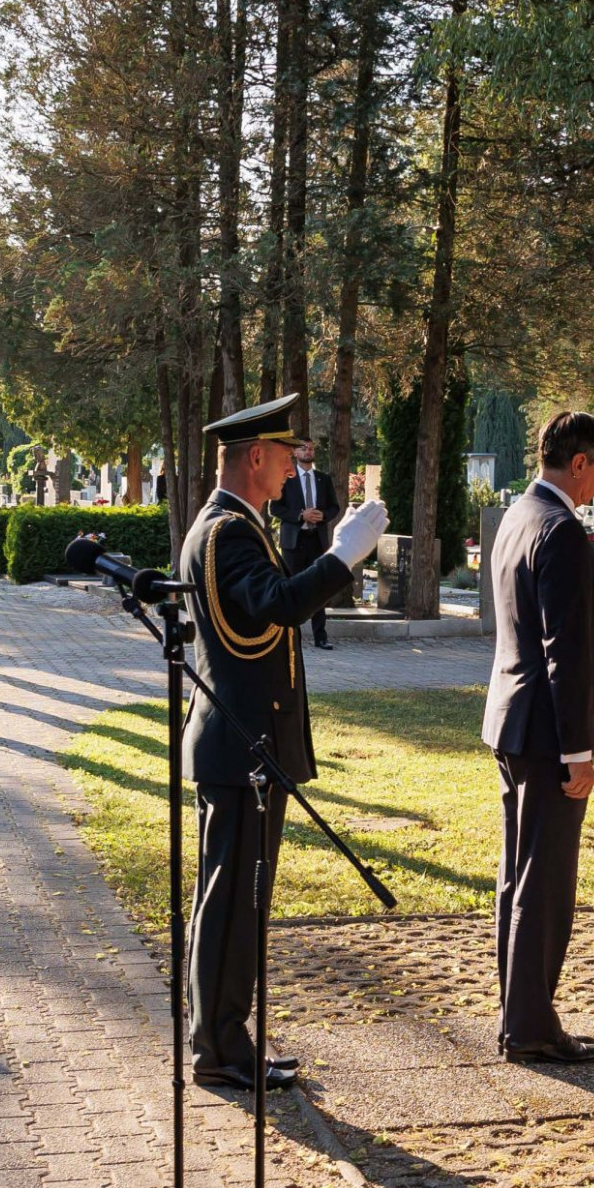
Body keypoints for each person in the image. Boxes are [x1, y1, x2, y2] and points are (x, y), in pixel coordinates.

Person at [178, 393, 389, 1094]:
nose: (294, 464)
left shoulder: (231, 523)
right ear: (257, 457)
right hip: (242, 750)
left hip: (245, 749)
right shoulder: (229, 530)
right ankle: (222, 1047)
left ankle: (220, 1033)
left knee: (232, 900)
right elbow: (276, 604)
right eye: (284, 452)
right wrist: (343, 557)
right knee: (234, 902)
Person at [483, 411, 594, 1064]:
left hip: (512, 720)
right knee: (546, 880)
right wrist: (578, 753)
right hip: (546, 733)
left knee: (519, 874)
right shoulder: (560, 529)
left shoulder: (519, 514)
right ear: (581, 463)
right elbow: (568, 652)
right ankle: (531, 1029)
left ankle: (520, 1012)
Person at [273, 442, 343, 649]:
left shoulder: (323, 479)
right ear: (295, 452)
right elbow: (275, 508)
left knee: (319, 587)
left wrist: (324, 516)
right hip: (294, 541)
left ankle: (320, 636)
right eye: (303, 448)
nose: (308, 452)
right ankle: (288, 635)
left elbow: (334, 507)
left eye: (311, 449)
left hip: (317, 540)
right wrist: (299, 515)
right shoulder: (286, 478)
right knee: (290, 587)